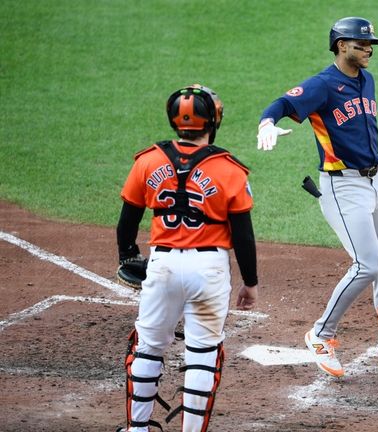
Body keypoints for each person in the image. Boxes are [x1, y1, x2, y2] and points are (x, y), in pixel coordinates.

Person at [256, 17, 378, 381]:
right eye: (360, 44)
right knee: (366, 265)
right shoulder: (323, 85)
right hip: (342, 187)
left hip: (374, 184)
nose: (368, 49)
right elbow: (281, 104)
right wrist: (266, 123)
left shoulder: (366, 80)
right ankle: (321, 334)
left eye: (370, 44)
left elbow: (363, 131)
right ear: (340, 45)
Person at [116, 84, 259, 432]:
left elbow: (127, 223)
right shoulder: (230, 169)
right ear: (212, 121)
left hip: (162, 265)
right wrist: (250, 283)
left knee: (147, 348)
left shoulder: (147, 161)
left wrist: (128, 256)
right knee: (204, 355)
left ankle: (138, 429)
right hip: (208, 270)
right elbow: (243, 235)